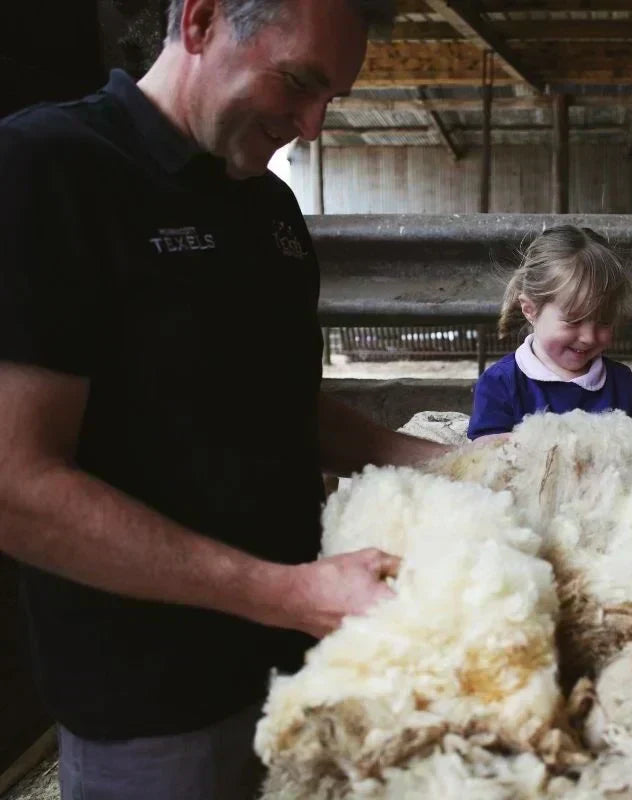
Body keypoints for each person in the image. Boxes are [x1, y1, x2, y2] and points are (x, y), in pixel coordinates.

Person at [0, 0, 450, 798]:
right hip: (153, 710)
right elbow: (15, 484)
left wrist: (458, 463)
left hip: (301, 669)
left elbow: (278, 410)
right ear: (203, 21)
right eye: (299, 83)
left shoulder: (266, 208)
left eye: (330, 100)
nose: (311, 126)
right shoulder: (45, 168)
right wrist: (287, 593)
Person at [466, 225, 632, 495]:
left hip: (611, 495)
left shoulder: (620, 382)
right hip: (538, 494)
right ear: (530, 310)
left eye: (603, 321)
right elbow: (482, 452)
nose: (588, 337)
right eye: (573, 320)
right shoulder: (500, 382)